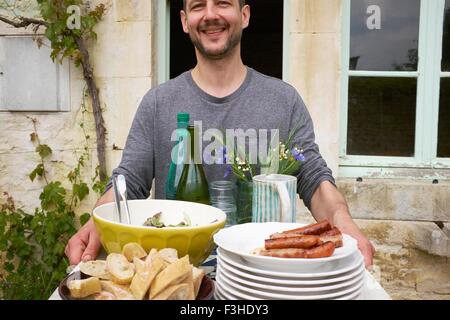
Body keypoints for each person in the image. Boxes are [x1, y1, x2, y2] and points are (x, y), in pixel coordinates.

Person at [65, 0, 375, 267]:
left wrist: (342, 221)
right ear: (185, 21)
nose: (210, 15)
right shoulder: (158, 103)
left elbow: (314, 179)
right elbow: (127, 182)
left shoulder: (284, 100)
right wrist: (98, 220)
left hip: (262, 273)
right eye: (198, 6)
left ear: (245, 15)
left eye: (223, 3)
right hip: (180, 276)